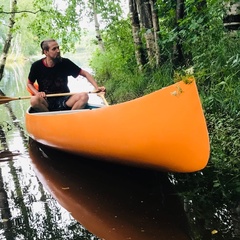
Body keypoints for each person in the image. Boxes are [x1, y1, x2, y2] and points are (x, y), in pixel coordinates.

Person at [27, 39, 105, 112]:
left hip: (65, 99)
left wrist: (97, 87)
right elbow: (29, 83)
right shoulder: (36, 66)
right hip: (46, 101)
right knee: (34, 100)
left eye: (58, 48)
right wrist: (37, 93)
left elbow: (85, 73)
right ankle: (50, 118)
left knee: (84, 96)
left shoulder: (65, 63)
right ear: (46, 52)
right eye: (54, 49)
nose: (58, 51)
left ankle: (70, 118)